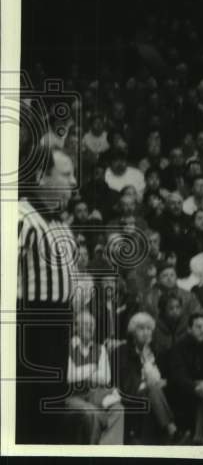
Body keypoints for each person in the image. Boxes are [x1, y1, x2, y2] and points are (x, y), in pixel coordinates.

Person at [17, 145, 78, 444]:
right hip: (31, 331)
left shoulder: (58, 223)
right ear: (41, 176)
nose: (73, 182)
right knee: (29, 414)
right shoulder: (22, 218)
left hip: (58, 330)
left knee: (52, 412)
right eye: (66, 174)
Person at [110, 311, 180, 444]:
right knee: (152, 389)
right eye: (141, 329)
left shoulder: (154, 351)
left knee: (161, 389)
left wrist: (163, 382)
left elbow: (161, 376)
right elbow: (126, 382)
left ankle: (169, 434)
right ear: (132, 331)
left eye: (149, 329)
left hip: (151, 391)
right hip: (128, 392)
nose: (146, 332)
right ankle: (172, 429)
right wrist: (147, 383)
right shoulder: (122, 351)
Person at [66, 311, 124, 445]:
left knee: (118, 409)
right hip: (73, 396)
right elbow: (69, 376)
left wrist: (80, 372)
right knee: (91, 413)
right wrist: (93, 368)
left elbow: (106, 378)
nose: (90, 327)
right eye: (85, 324)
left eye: (92, 324)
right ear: (76, 327)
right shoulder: (68, 346)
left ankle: (107, 450)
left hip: (95, 395)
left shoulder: (100, 349)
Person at [167, 313, 203, 444]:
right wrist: (195, 387)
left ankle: (199, 439)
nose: (202, 330)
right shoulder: (179, 347)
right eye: (198, 327)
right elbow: (178, 375)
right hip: (184, 391)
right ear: (189, 329)